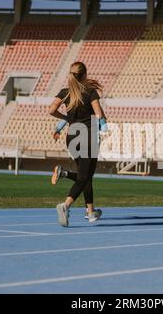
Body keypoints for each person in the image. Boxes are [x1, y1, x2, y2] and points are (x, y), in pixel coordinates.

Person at [48, 61, 107, 227]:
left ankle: (90, 212)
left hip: (72, 136)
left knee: (85, 174)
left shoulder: (65, 92)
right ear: (85, 75)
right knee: (84, 176)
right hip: (88, 136)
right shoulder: (90, 92)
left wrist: (66, 119)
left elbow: (51, 110)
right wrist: (104, 125)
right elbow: (98, 113)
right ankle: (65, 205)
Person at [51, 116, 108, 220]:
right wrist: (104, 124)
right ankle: (85, 210)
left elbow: (64, 119)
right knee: (87, 177)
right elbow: (104, 127)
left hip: (73, 141)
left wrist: (58, 130)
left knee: (84, 176)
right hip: (90, 143)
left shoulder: (75, 104)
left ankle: (64, 173)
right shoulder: (93, 104)